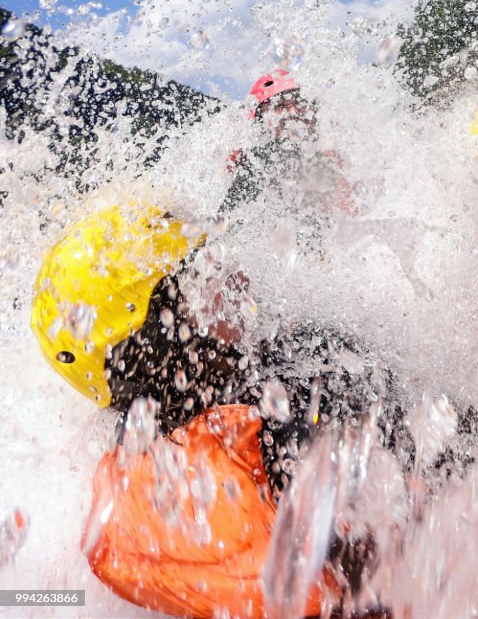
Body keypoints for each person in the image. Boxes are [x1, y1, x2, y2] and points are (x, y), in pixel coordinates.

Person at [30, 202, 407, 617]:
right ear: (160, 344)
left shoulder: (119, 510)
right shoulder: (295, 400)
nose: (238, 282)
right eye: (203, 276)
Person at [223, 70, 358, 219]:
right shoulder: (257, 162)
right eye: (280, 106)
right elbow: (223, 225)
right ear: (261, 123)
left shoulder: (329, 162)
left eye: (300, 103)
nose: (293, 112)